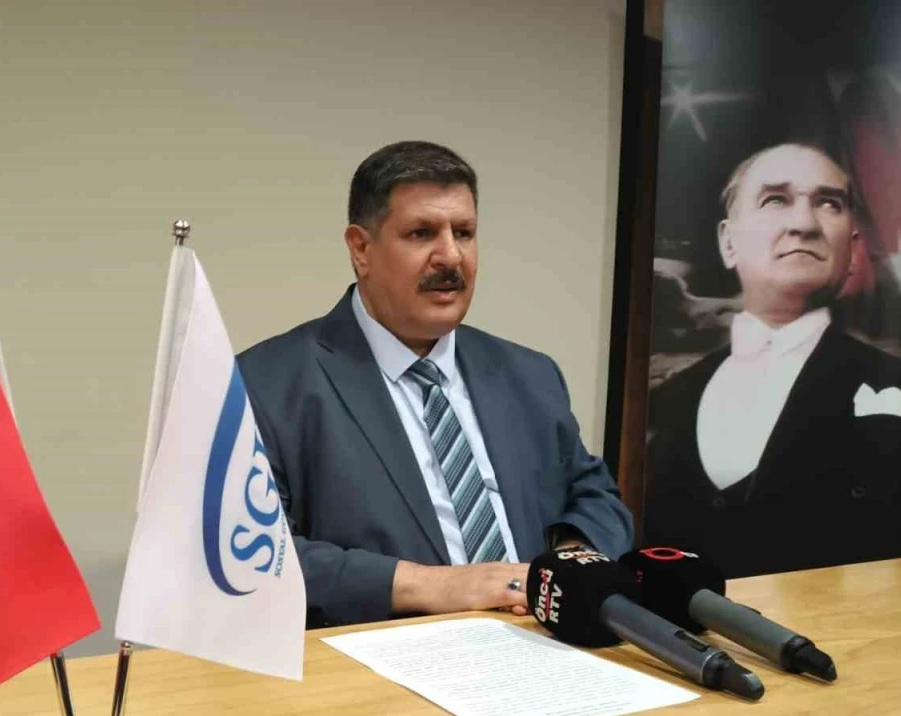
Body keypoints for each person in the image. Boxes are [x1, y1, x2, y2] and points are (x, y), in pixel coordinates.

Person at [237, 141, 632, 627]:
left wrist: (566, 567)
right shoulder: (265, 384)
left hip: (539, 641)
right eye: (422, 233)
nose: (450, 256)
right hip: (380, 655)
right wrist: (433, 585)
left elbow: (595, 495)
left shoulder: (529, 374)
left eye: (464, 233)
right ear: (361, 249)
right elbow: (255, 555)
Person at [644, 143, 901, 578]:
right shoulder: (671, 395)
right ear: (728, 242)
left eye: (829, 203)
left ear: (852, 249)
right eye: (775, 200)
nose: (804, 224)